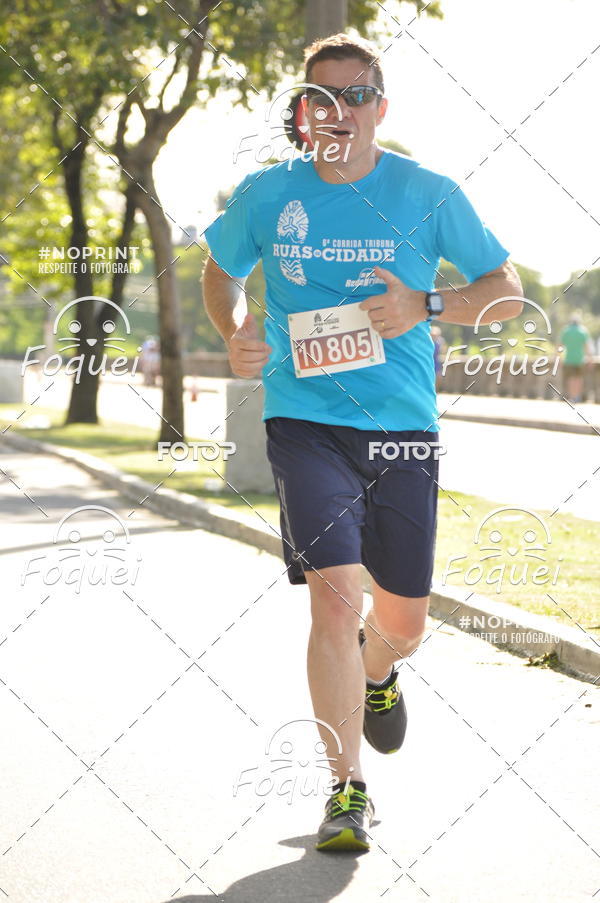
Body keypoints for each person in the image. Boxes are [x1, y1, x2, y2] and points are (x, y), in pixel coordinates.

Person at [202, 33, 523, 852]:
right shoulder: (268, 195)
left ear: (383, 106)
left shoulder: (427, 191)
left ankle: (378, 670)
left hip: (403, 427)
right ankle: (346, 789)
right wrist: (235, 326)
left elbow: (506, 293)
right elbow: (219, 269)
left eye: (355, 96)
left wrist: (429, 305)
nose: (337, 112)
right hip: (303, 419)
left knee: (403, 621)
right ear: (303, 112)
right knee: (334, 595)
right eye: (321, 98)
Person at [560, 312, 593, 402]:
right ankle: (577, 396)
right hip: (580, 359)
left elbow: (560, 346)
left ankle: (571, 397)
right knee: (579, 379)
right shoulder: (583, 331)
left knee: (570, 379)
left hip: (569, 359)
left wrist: (557, 357)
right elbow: (587, 347)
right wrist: (590, 359)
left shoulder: (566, 330)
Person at [430, 324, 447, 391]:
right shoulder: (428, 341)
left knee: (438, 377)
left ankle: (436, 390)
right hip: (429, 361)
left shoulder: (439, 342)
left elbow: (443, 351)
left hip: (436, 362)